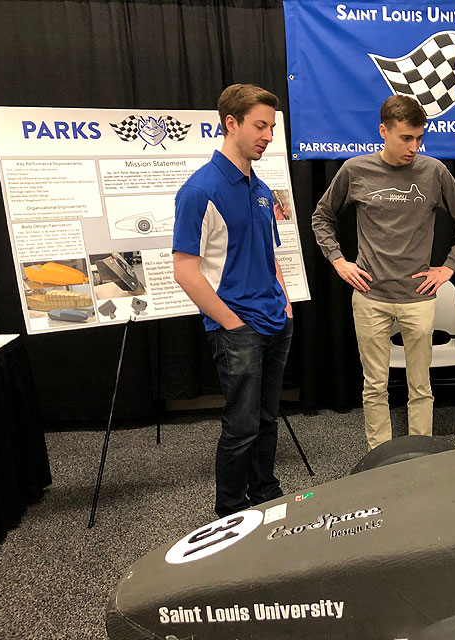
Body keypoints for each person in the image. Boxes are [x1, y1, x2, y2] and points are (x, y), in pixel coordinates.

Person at [311, 95, 455, 450]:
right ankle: (380, 457)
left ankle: (421, 455)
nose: (414, 147)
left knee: (421, 387)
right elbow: (322, 216)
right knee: (375, 386)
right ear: (383, 131)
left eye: (419, 138)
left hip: (417, 298)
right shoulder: (356, 170)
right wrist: (339, 261)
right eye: (406, 138)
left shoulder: (433, 172)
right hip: (371, 297)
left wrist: (448, 268)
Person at [172, 84, 294, 518]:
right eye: (260, 126)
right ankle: (229, 511)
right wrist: (231, 323)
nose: (268, 135)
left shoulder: (260, 188)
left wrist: (284, 300)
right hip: (238, 329)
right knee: (241, 428)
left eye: (271, 127)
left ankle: (265, 491)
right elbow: (184, 270)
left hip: (275, 322)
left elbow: (270, 251)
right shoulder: (200, 190)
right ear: (231, 123)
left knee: (266, 419)